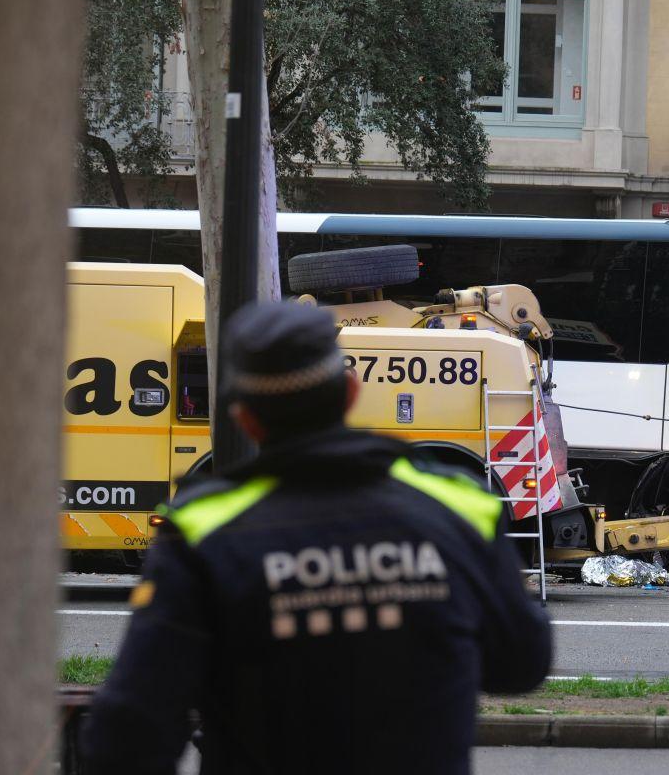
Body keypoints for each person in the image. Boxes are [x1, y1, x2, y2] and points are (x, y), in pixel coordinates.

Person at [83, 301, 552, 775]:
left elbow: (130, 732)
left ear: (244, 418)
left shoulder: (204, 532)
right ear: (349, 392)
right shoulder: (459, 507)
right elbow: (521, 665)